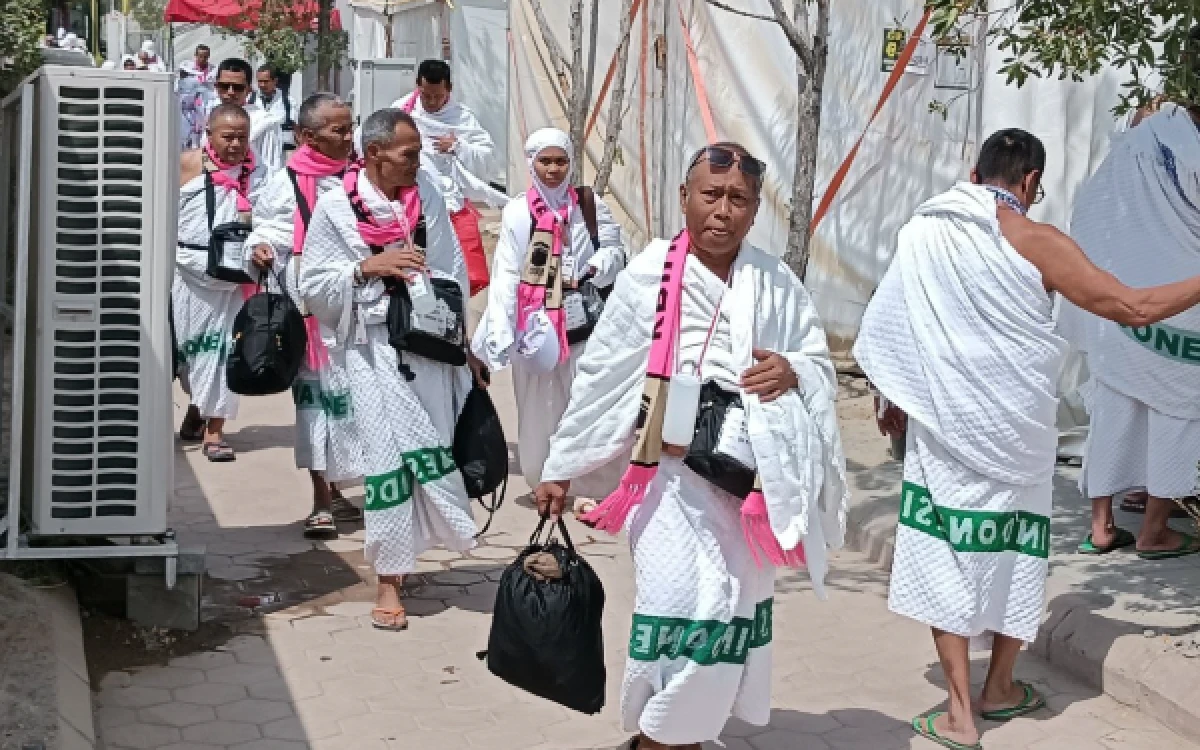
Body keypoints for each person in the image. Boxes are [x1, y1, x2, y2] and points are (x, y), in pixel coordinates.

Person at [853, 129, 1200, 750]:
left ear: (974, 171)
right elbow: (1135, 307)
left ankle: (960, 713)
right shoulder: (1037, 242)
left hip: (944, 428)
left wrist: (891, 393)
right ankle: (1003, 686)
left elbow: (893, 320)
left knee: (947, 553)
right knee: (1015, 552)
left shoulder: (924, 230)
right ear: (1032, 182)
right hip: (1018, 432)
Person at [534, 143, 848, 750]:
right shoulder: (646, 277)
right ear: (684, 198)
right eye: (711, 195)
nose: (723, 212)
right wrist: (561, 467)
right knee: (680, 603)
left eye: (739, 200)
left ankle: (679, 733)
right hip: (668, 483)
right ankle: (664, 733)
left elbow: (816, 362)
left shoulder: (775, 281)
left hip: (745, 487)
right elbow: (604, 377)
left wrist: (792, 371)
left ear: (756, 211)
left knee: (730, 609)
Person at [299, 108, 488, 631]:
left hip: (429, 349)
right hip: (372, 351)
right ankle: (388, 576)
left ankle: (410, 558)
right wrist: (366, 267)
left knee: (428, 451)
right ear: (376, 153)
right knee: (388, 456)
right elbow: (311, 285)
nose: (417, 163)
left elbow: (450, 272)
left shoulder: (427, 199)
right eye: (409, 155)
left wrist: (464, 346)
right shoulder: (336, 208)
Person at [1062, 103, 1200, 559]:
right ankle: (1155, 531)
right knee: (1178, 410)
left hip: (1121, 300)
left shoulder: (1133, 148)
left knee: (1115, 410)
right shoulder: (1186, 150)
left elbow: (1091, 212)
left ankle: (1102, 526)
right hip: (1181, 300)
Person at [472, 127, 625, 516]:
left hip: (583, 325)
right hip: (535, 327)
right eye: (545, 161)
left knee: (586, 401)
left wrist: (590, 268)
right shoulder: (518, 212)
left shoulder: (588, 206)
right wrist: (502, 330)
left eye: (561, 161)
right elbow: (506, 272)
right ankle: (546, 479)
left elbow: (615, 252)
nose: (553, 169)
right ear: (532, 163)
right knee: (537, 404)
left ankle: (592, 484)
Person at [246, 92, 362, 537]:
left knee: (357, 408)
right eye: (339, 129)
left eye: (351, 127)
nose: (348, 136)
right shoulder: (285, 183)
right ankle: (322, 501)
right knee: (315, 408)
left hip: (356, 312)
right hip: (307, 316)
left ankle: (345, 489)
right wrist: (260, 250)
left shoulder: (363, 180)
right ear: (307, 136)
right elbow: (269, 230)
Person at [173, 103, 268, 462]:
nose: (235, 145)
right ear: (208, 134)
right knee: (189, 353)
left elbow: (272, 217)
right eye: (227, 137)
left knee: (223, 351)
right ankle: (198, 409)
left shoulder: (258, 172)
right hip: (187, 272)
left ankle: (215, 431)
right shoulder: (186, 165)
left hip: (234, 277)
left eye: (242, 138)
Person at [390, 59, 507, 296]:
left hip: (450, 204)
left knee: (460, 270)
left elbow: (488, 158)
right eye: (426, 96)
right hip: (412, 204)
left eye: (438, 97)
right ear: (417, 87)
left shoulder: (462, 118)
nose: (432, 103)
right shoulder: (401, 112)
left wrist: (458, 147)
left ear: (449, 90)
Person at [208, 58, 285, 176]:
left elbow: (271, 170)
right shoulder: (211, 117)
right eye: (224, 86)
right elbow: (205, 155)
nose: (230, 92)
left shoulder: (265, 123)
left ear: (249, 89)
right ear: (216, 86)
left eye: (237, 87)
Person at [254, 65, 298, 155]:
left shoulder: (288, 101)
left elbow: (296, 128)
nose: (262, 85)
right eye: (260, 81)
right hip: (257, 153)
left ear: (275, 81)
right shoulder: (250, 100)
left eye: (265, 81)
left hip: (282, 154)